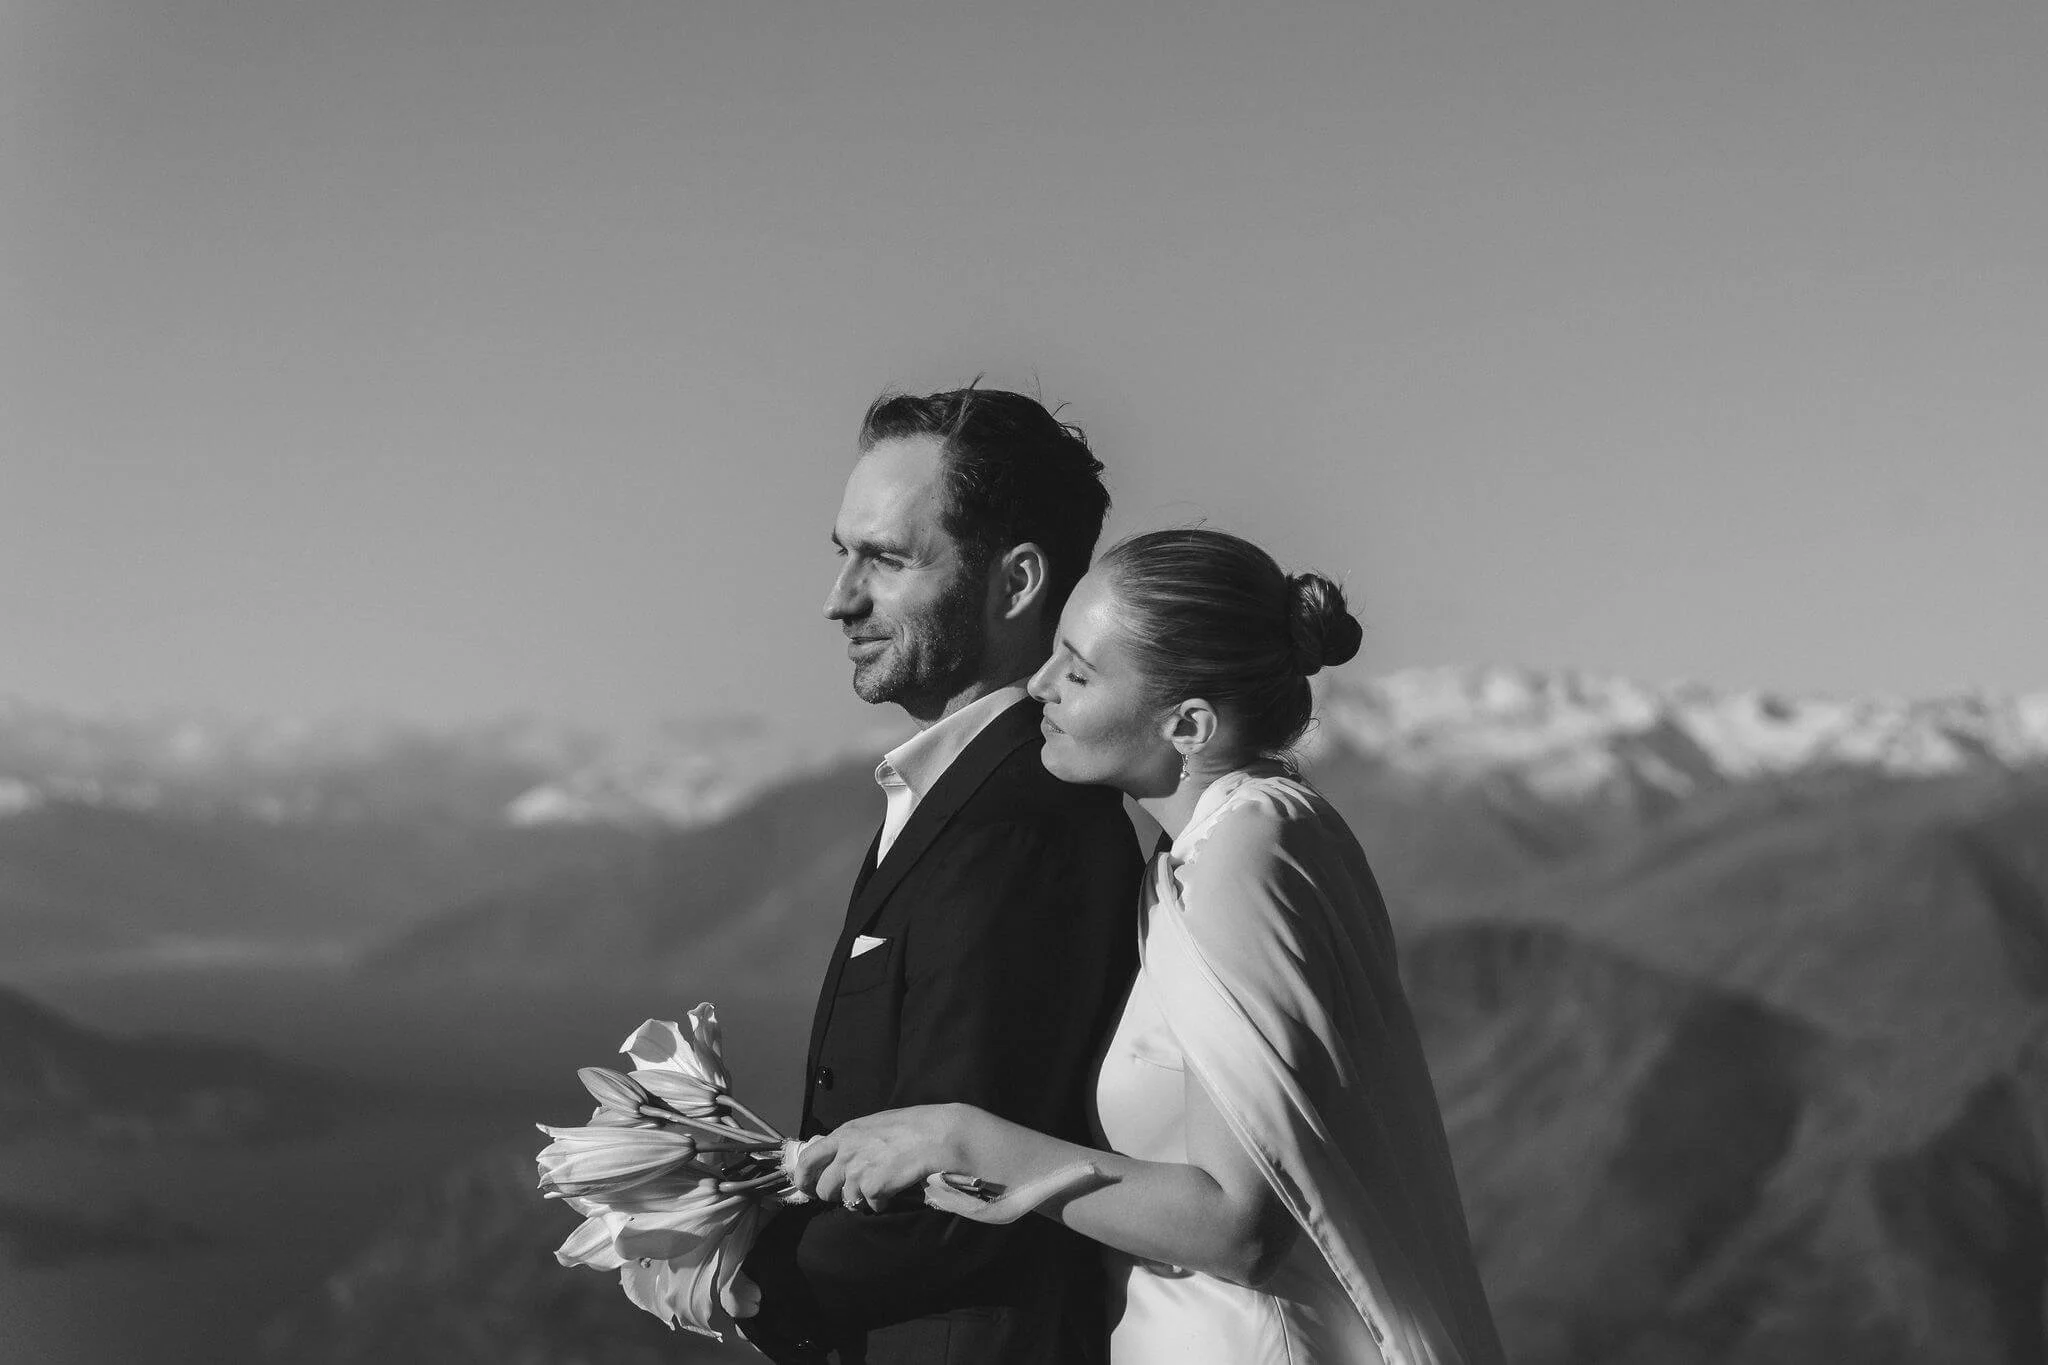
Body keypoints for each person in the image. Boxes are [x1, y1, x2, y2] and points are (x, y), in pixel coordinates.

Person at [794, 528, 1506, 1365]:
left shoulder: (1247, 847)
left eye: (1080, 672)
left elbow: (1241, 1225)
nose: (1040, 684)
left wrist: (960, 1141)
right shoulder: (1202, 856)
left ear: (1190, 722)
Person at [739, 387, 1145, 1365]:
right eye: (841, 552)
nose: (838, 597)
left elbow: (963, 1197)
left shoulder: (1018, 824)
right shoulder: (963, 797)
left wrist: (756, 1286)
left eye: (884, 558)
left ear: (1013, 585)